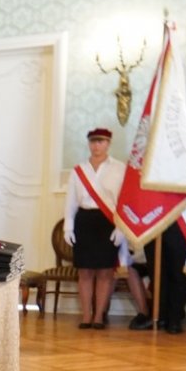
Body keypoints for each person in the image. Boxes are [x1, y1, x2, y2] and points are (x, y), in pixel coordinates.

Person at [63, 128, 125, 329]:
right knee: (85, 272)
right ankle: (86, 316)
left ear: (108, 143)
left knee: (105, 272)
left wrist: (121, 227)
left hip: (108, 221)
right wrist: (68, 226)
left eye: (101, 141)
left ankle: (99, 316)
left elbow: (124, 201)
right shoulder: (78, 170)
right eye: (93, 141)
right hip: (85, 220)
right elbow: (71, 200)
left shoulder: (120, 169)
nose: (96, 145)